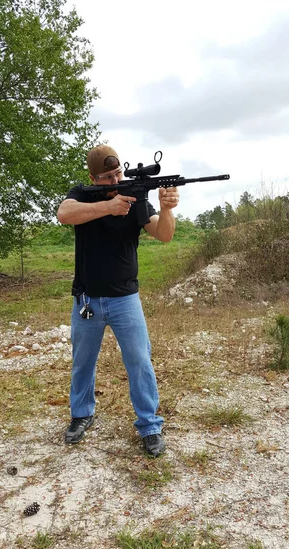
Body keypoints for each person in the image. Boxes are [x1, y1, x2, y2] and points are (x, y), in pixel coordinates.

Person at [57, 145, 179, 457]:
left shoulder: (136, 197)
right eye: (108, 176)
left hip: (126, 298)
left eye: (118, 174)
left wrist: (167, 208)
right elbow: (64, 214)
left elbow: (163, 234)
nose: (115, 179)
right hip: (88, 298)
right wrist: (108, 207)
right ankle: (81, 415)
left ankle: (150, 426)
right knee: (83, 362)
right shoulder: (82, 195)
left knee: (139, 361)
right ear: (92, 178)